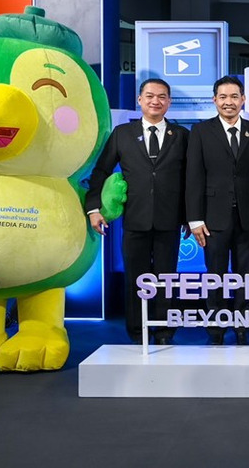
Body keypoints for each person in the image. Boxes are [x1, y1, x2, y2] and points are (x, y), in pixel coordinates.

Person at [86, 78, 189, 345]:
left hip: (169, 220)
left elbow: (192, 179)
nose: (156, 101)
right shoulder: (122, 134)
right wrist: (94, 208)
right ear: (140, 100)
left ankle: (165, 331)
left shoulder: (182, 135)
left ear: (169, 102)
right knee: (136, 278)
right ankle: (137, 331)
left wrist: (191, 216)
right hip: (134, 220)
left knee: (166, 278)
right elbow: (101, 171)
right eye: (150, 96)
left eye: (162, 96)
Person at [186, 75, 249, 345]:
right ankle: (216, 328)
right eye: (223, 97)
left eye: (234, 97)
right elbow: (193, 176)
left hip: (248, 218)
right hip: (212, 218)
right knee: (215, 275)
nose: (228, 102)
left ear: (243, 99)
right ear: (214, 100)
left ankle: (243, 326)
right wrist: (194, 219)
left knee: (246, 276)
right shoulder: (201, 132)